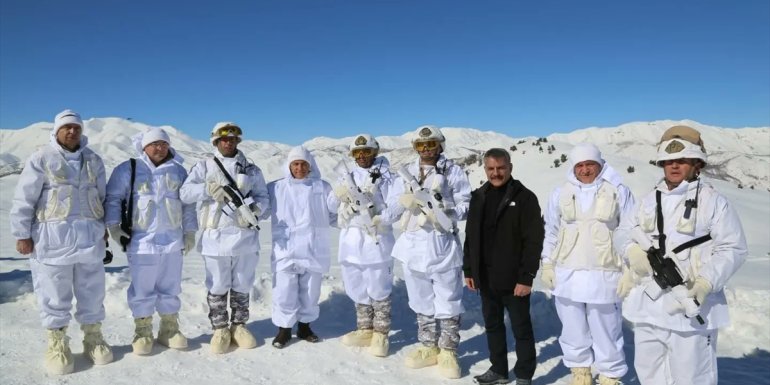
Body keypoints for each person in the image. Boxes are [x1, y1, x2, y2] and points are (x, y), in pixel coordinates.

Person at [615, 125, 748, 385]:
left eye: (682, 161)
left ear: (697, 164)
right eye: (668, 161)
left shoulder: (713, 201)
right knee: (649, 370)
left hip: (691, 303)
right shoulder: (647, 200)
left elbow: (733, 247)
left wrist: (706, 282)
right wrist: (632, 251)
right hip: (649, 307)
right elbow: (623, 231)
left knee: (692, 375)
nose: (674, 166)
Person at [10, 109, 113, 374]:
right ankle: (57, 343)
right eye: (66, 127)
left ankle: (93, 337)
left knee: (92, 290)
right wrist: (22, 234)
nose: (72, 131)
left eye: (76, 127)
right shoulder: (41, 158)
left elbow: (103, 197)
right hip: (52, 239)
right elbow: (24, 198)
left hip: (90, 237)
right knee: (54, 292)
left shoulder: (93, 159)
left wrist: (104, 227)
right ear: (56, 131)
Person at [540, 143, 634, 385]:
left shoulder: (618, 191)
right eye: (579, 165)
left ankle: (610, 374)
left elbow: (631, 231)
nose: (584, 170)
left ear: (600, 165)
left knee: (606, 329)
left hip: (604, 275)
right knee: (573, 329)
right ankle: (580, 371)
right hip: (567, 274)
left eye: (589, 164)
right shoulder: (560, 193)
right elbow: (550, 231)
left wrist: (629, 270)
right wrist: (547, 264)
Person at [104, 127, 198, 355]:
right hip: (141, 241)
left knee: (170, 285)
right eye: (155, 144)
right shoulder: (128, 169)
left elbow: (187, 204)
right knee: (143, 287)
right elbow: (114, 198)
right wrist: (114, 227)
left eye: (164, 144)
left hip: (172, 240)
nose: (160, 148)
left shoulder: (178, 171)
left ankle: (169, 328)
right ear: (144, 146)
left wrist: (190, 231)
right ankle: (143, 330)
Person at [180, 122, 269, 354]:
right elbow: (185, 193)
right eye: (224, 139)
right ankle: (220, 328)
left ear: (238, 141)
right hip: (215, 236)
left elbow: (264, 198)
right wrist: (208, 190)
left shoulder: (251, 169)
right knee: (218, 284)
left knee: (242, 283)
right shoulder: (204, 167)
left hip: (245, 236)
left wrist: (255, 211)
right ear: (216, 142)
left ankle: (239, 326)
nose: (228, 142)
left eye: (233, 139)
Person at [390, 125, 471, 379]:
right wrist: (399, 205)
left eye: (431, 144)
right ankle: (428, 346)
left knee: (448, 296)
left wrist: (445, 210)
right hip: (413, 242)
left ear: (440, 145)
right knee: (420, 297)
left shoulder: (454, 171)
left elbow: (465, 203)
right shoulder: (408, 172)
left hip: (441, 242)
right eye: (420, 146)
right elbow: (394, 206)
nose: (426, 150)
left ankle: (448, 350)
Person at [463, 148, 543, 385]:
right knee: (493, 326)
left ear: (510, 167)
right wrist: (469, 270)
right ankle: (498, 369)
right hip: (486, 277)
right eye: (491, 168)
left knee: (521, 330)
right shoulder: (479, 196)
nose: (496, 173)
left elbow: (533, 241)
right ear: (485, 169)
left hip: (514, 279)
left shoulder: (525, 198)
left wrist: (527, 277)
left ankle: (524, 375)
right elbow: (470, 237)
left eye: (501, 168)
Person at [265, 146, 338, 348]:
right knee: (283, 291)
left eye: (304, 164)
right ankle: (284, 330)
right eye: (295, 164)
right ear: (289, 166)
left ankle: (305, 327)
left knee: (310, 291)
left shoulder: (322, 187)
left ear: (310, 166)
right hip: (285, 249)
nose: (299, 168)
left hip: (313, 249)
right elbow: (261, 210)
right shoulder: (275, 188)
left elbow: (335, 213)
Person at [334, 134, 399, 357]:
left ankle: (381, 333)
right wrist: (340, 197)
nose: (362, 156)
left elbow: (397, 204)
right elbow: (331, 205)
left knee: (379, 288)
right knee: (356, 286)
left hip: (376, 240)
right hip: (351, 242)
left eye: (367, 151)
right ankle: (365, 329)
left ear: (375, 152)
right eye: (357, 153)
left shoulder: (387, 176)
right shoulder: (347, 176)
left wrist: (380, 218)